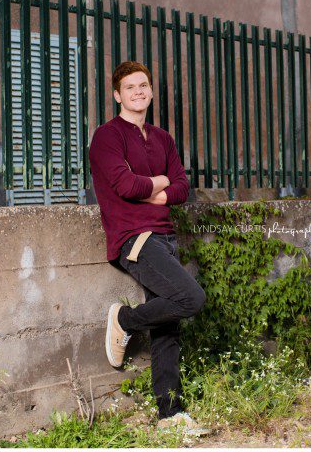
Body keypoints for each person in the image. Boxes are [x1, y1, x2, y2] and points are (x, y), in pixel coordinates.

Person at [88, 61, 208, 434]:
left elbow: (183, 188)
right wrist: (160, 182)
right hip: (134, 238)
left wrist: (158, 190)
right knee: (191, 298)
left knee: (168, 324)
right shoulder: (107, 137)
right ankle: (124, 320)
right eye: (130, 87)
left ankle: (170, 414)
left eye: (143, 85)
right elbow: (126, 186)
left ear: (151, 91)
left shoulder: (163, 139)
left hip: (165, 236)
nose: (138, 92)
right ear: (117, 95)